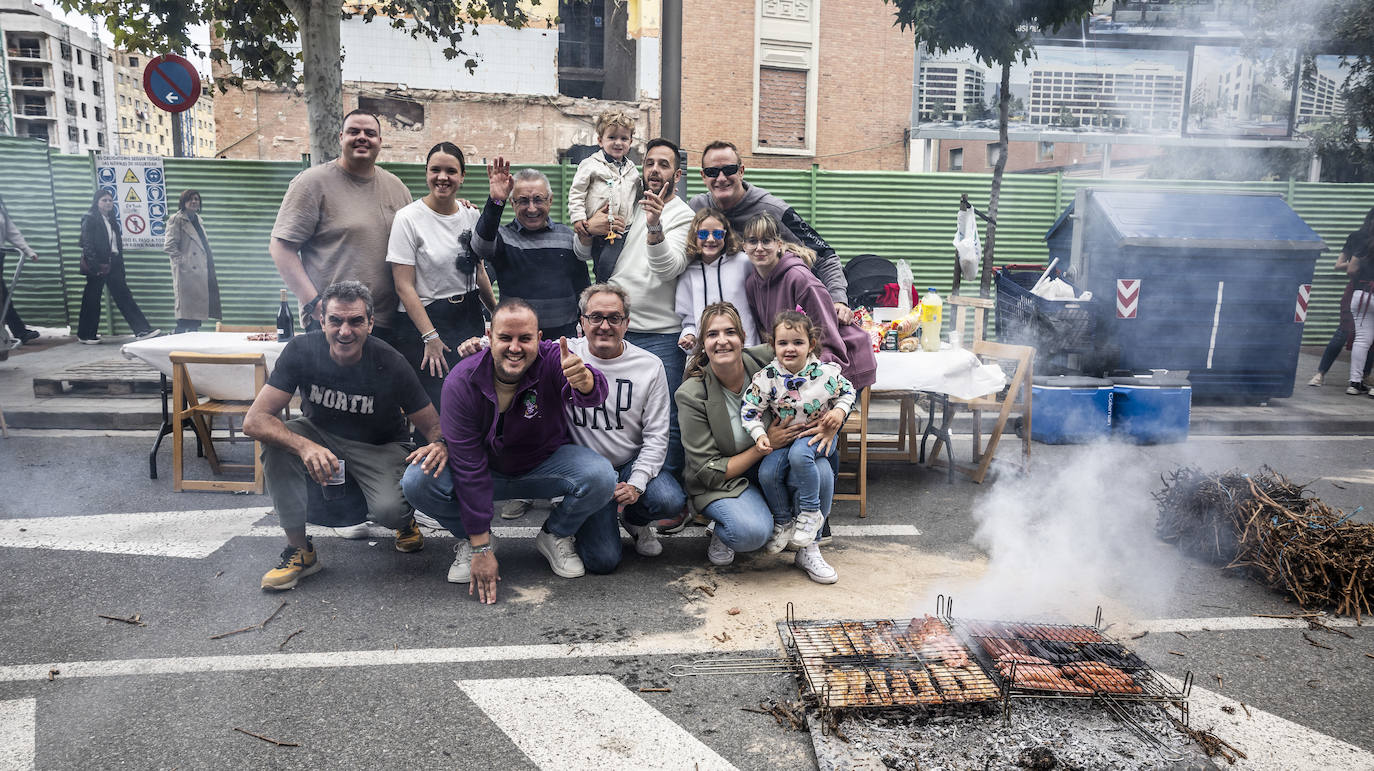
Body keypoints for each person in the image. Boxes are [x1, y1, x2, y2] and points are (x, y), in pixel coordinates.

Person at [400, 299, 618, 604]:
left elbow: (590, 390)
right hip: (487, 468)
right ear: (489, 337)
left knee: (601, 476)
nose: (515, 347)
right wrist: (481, 547)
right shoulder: (461, 381)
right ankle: (470, 538)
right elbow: (469, 467)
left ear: (539, 339)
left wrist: (587, 383)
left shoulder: (553, 357)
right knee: (417, 480)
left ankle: (555, 533)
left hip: (542, 465)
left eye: (525, 339)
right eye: (505, 338)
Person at [243, 281, 443, 591]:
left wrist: (441, 451)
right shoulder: (301, 349)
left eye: (355, 321)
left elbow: (432, 426)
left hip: (380, 445)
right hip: (319, 434)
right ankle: (300, 551)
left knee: (389, 512)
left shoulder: (390, 362)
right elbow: (254, 420)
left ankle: (405, 520)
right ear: (321, 320)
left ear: (371, 324)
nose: (345, 331)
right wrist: (304, 446)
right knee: (276, 442)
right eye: (335, 320)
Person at [676, 302, 839, 584]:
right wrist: (766, 444)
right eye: (713, 334)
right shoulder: (691, 394)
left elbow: (823, 376)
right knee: (750, 533)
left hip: (774, 467)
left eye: (730, 332)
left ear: (743, 337)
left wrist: (832, 422)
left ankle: (808, 546)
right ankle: (724, 526)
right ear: (703, 343)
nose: (723, 341)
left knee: (820, 466)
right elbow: (707, 471)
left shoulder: (770, 358)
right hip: (727, 481)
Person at [578, 137, 694, 482]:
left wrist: (655, 224)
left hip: (661, 334)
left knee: (666, 418)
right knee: (606, 409)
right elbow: (584, 253)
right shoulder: (624, 204)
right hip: (613, 329)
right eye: (650, 164)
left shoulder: (682, 215)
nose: (655, 170)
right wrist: (585, 230)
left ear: (677, 174)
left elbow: (668, 268)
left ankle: (660, 491)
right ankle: (603, 483)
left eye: (664, 165)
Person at [270, 109, 412, 340]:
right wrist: (314, 305)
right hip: (333, 325)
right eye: (353, 131)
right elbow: (281, 249)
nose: (362, 137)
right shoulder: (312, 183)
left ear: (380, 141)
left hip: (386, 324)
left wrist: (457, 207)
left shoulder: (397, 187)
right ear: (340, 138)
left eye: (370, 133)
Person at [566, 283, 685, 557]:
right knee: (603, 560)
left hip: (629, 463)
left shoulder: (649, 365)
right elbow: (523, 346)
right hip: (589, 470)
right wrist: (482, 344)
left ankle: (635, 520)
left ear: (627, 323)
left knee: (669, 500)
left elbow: (657, 434)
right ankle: (585, 519)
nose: (604, 326)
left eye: (614, 318)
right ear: (582, 322)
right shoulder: (567, 354)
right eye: (595, 317)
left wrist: (636, 483)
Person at [688, 140, 852, 324]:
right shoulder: (696, 208)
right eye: (712, 172)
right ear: (703, 176)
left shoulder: (774, 210)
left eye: (729, 170)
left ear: (741, 171)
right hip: (721, 320)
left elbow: (825, 255)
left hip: (778, 318)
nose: (720, 178)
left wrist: (838, 300)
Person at [387, 141, 496, 410]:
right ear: (426, 172)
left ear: (462, 175)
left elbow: (478, 269)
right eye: (435, 170)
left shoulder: (471, 215)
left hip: (468, 315)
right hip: (426, 321)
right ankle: (429, 452)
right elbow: (403, 286)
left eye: (451, 171)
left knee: (469, 398)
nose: (443, 177)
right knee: (433, 402)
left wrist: (497, 312)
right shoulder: (408, 218)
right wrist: (430, 337)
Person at [742, 310, 856, 552]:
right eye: (783, 343)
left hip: (818, 433)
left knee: (799, 456)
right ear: (773, 346)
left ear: (811, 345)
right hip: (786, 438)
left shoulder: (825, 373)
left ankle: (811, 512)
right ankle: (783, 521)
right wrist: (759, 434)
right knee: (767, 472)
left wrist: (838, 412)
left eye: (798, 342)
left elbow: (848, 391)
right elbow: (750, 408)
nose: (790, 349)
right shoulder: (767, 377)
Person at [743, 212, 877, 392]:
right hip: (792, 367)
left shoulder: (800, 279)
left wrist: (813, 380)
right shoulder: (752, 283)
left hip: (838, 366)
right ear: (744, 246)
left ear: (779, 244)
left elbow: (829, 338)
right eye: (753, 241)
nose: (759, 247)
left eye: (766, 241)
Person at [475, 160, 590, 341]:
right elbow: (480, 247)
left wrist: (586, 334)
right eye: (523, 201)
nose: (531, 208)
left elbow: (583, 289)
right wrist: (496, 201)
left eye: (538, 199)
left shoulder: (567, 237)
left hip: (563, 341)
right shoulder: (504, 237)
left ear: (550, 201)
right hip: (517, 342)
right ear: (512, 203)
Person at [76, 189, 161, 344]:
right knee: (91, 299)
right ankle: (86, 334)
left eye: (110, 200)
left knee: (124, 296)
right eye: (104, 200)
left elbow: (115, 244)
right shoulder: (90, 218)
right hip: (98, 264)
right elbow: (87, 243)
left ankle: (142, 330)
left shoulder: (111, 220)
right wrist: (95, 266)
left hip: (113, 263)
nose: (108, 203)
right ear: (97, 202)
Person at [675, 207, 758, 351]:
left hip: (746, 349)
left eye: (718, 234)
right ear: (694, 236)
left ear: (726, 235)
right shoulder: (689, 273)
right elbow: (689, 321)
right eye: (703, 234)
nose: (711, 239)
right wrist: (689, 336)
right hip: (707, 354)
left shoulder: (744, 263)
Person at [1309, 206, 1374, 389]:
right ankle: (1321, 373)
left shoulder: (1361, 238)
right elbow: (1338, 265)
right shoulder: (1358, 237)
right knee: (1344, 331)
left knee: (1364, 338)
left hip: (1360, 290)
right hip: (1357, 289)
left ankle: (1362, 377)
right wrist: (1363, 266)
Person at [568, 110, 641, 244]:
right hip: (598, 230)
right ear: (600, 141)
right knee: (604, 261)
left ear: (630, 142)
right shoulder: (590, 165)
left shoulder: (632, 170)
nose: (618, 143)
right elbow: (577, 193)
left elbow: (639, 195)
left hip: (624, 231)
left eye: (624, 138)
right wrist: (578, 218)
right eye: (612, 137)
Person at [162, 189, 222, 334]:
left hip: (201, 269)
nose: (194, 202)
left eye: (196, 199)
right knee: (185, 311)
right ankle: (178, 335)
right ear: (183, 202)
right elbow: (169, 246)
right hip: (186, 271)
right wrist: (183, 262)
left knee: (196, 311)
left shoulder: (198, 219)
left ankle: (192, 335)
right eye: (190, 199)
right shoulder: (176, 219)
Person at [0, 195, 40, 345]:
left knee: (3, 296)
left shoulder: (1, 210)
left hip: (0, 254)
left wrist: (28, 251)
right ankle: (19, 332)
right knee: (3, 296)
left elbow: (12, 232)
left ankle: (19, 332)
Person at [1345, 248, 1374, 397]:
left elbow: (1350, 269)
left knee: (1362, 340)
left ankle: (1354, 383)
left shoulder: (1364, 245)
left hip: (1360, 295)